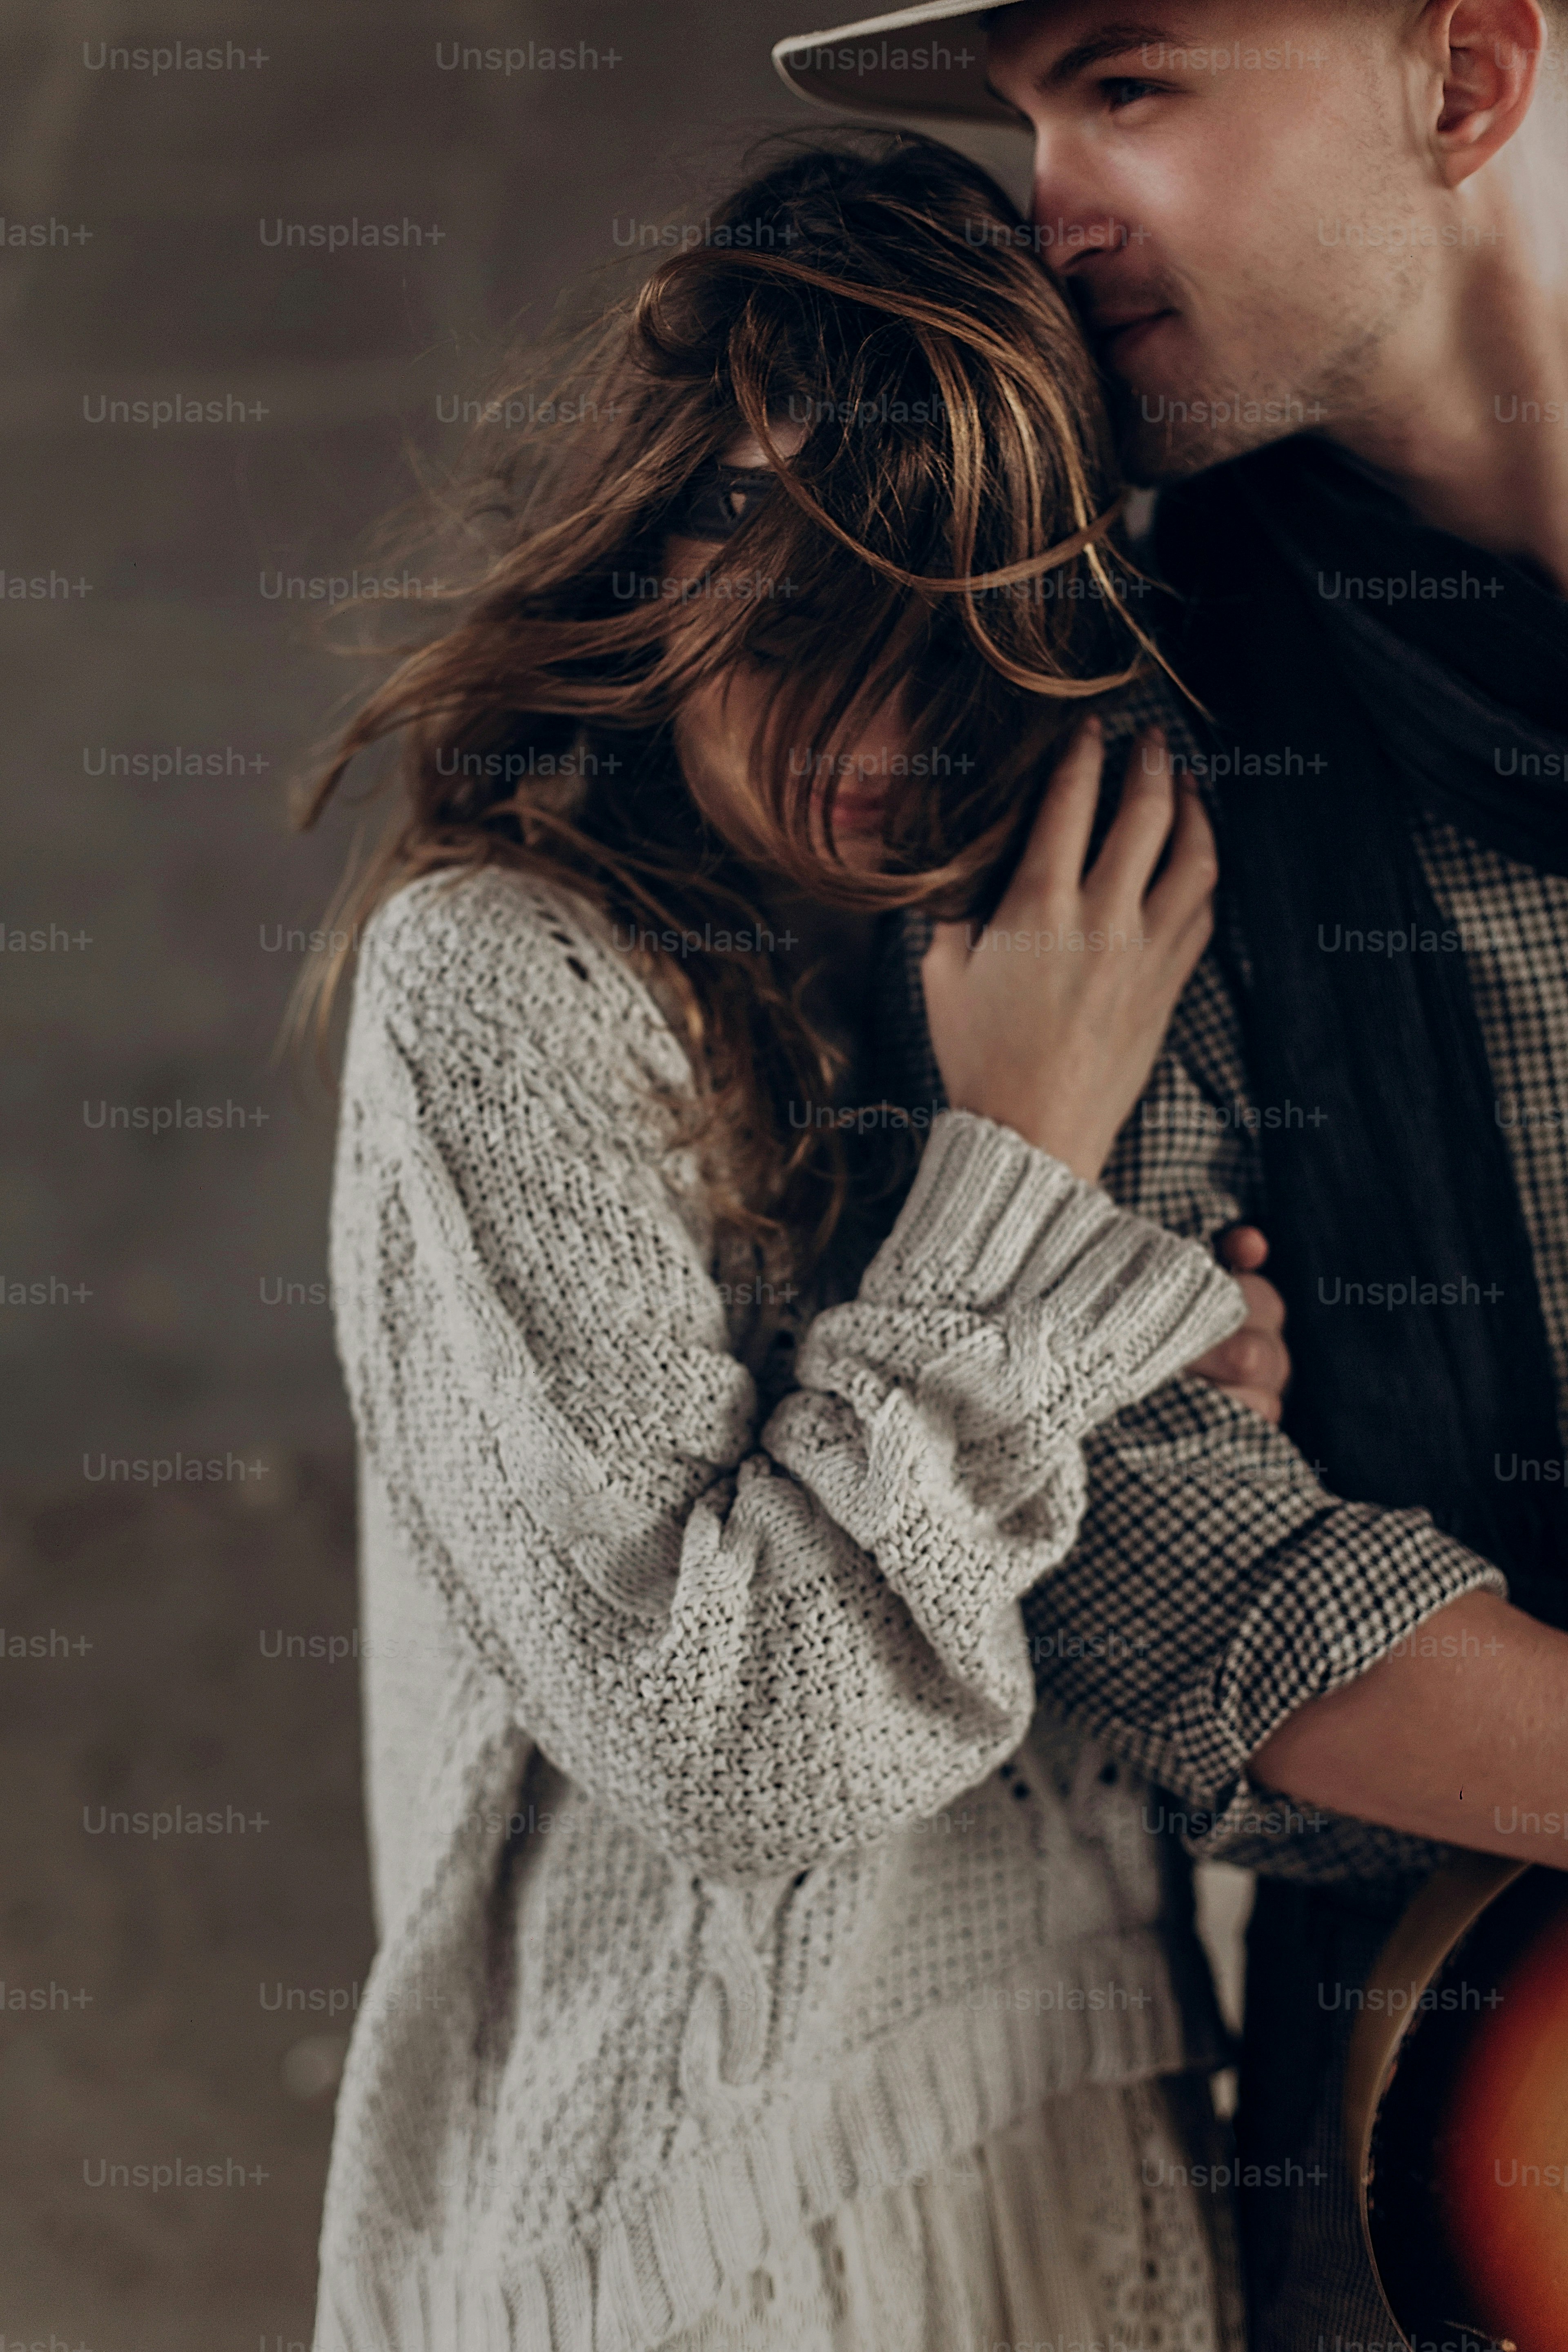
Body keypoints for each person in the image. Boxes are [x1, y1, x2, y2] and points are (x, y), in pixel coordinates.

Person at [298, 136, 1291, 2351]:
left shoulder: (1030, 933)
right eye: (791, 558)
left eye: (970, 629)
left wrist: (1154, 1433)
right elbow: (752, 1749)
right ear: (660, 527)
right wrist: (1028, 1175)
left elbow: (1161, 1691)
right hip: (708, 2231)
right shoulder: (506, 983)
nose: (884, 719)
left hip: (1069, 2140)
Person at [773, 1, 1568, 2342]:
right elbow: (1145, 1550)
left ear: (1466, 80)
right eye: (1026, 122)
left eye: (1127, 85)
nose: (1052, 207)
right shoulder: (1092, 737)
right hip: (1474, 2121)